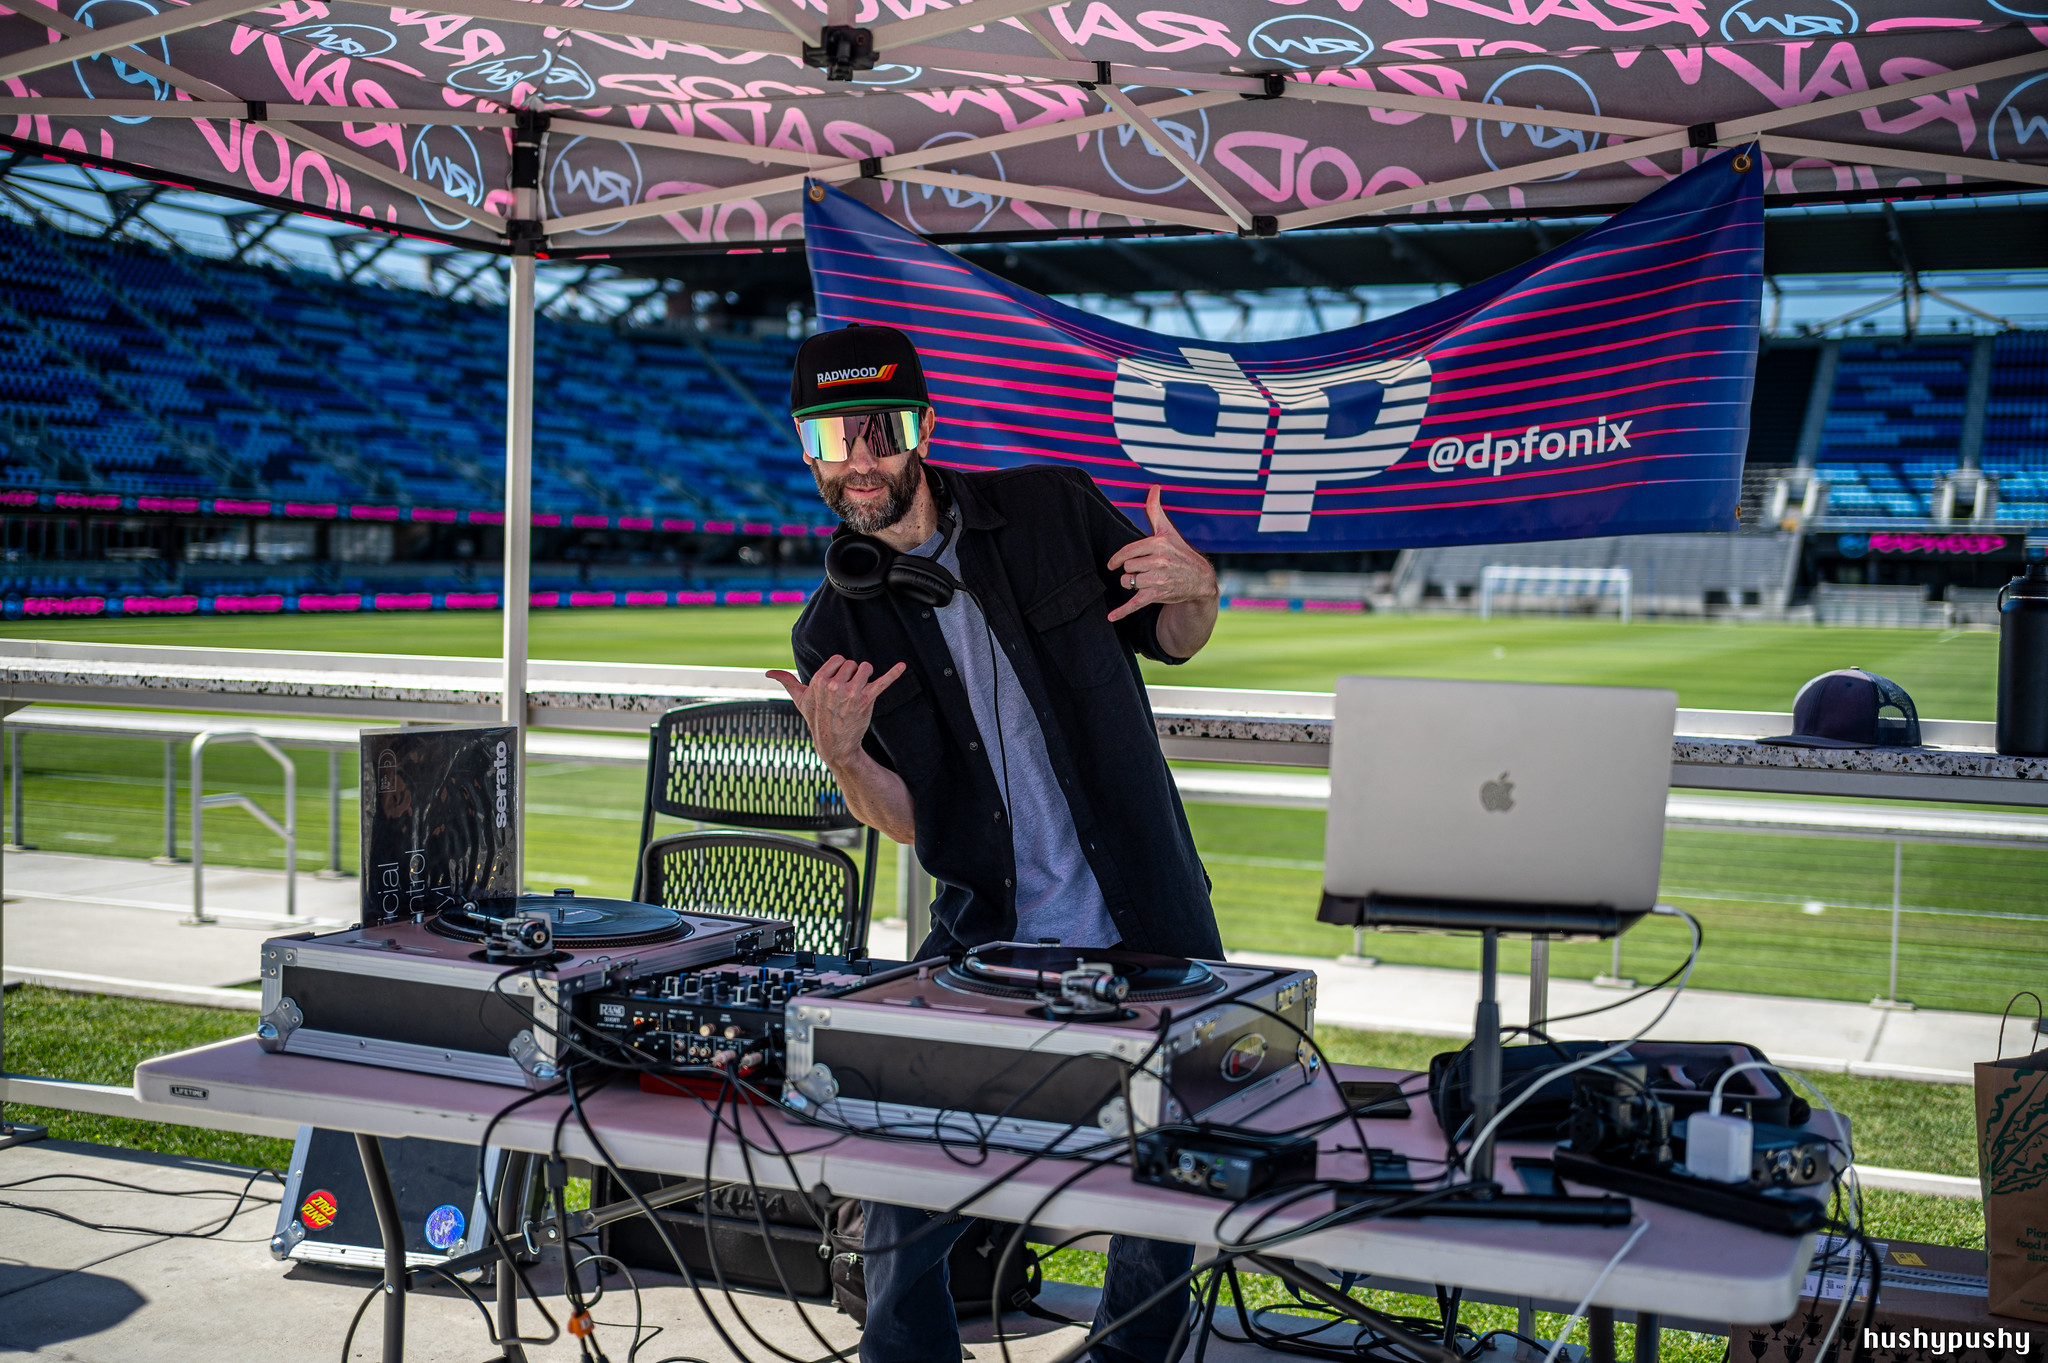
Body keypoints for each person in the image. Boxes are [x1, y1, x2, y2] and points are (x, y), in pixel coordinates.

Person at [765, 322, 1224, 1363]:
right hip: (984, 934)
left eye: (880, 432)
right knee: (893, 1153)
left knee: (1163, 1168)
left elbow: (1173, 636)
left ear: (923, 428)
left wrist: (1199, 593)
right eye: (832, 439)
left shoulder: (1052, 509)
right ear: (805, 449)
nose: (858, 462)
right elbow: (911, 821)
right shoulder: (830, 629)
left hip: (1146, 910)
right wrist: (843, 758)